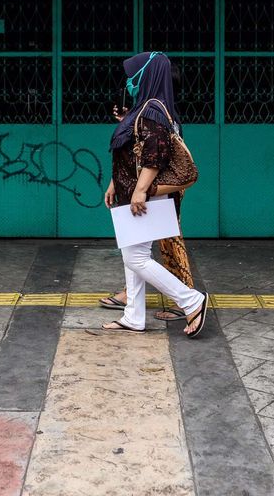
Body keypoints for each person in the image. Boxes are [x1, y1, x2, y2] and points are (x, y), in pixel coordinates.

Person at [100, 52, 208, 338]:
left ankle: (191, 300)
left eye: (135, 75)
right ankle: (134, 317)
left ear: (147, 76)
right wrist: (115, 183)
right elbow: (132, 152)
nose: (130, 81)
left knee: (136, 258)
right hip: (135, 195)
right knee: (132, 256)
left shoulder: (152, 111)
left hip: (144, 198)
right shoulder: (148, 109)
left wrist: (139, 190)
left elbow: (154, 155)